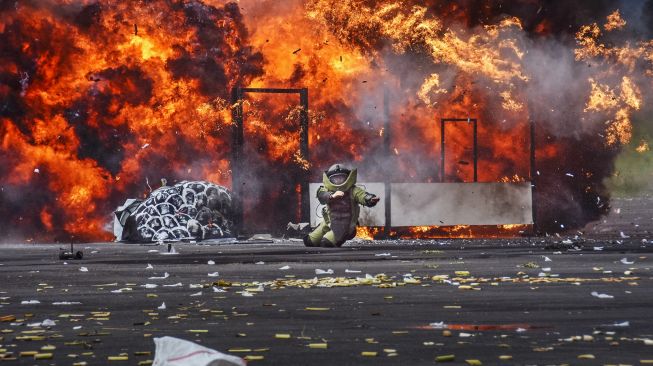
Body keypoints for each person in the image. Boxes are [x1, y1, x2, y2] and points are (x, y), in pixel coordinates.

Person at [304, 163, 380, 247]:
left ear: (347, 178)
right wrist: (331, 196)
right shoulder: (326, 189)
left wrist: (370, 199)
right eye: (335, 179)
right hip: (328, 222)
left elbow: (362, 195)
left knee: (326, 243)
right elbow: (321, 194)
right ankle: (329, 234)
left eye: (341, 178)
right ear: (329, 179)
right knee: (309, 241)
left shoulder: (353, 190)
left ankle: (341, 237)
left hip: (344, 225)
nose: (338, 181)